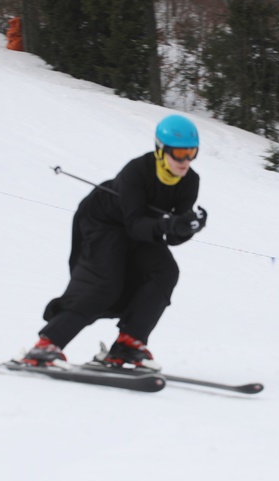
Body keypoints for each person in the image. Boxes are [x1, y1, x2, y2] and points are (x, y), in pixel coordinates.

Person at [23, 115, 207, 371]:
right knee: (104, 283)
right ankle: (46, 346)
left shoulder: (190, 181)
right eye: (178, 153)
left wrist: (187, 227)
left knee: (165, 271)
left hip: (143, 230)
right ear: (161, 150)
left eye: (191, 153)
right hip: (103, 222)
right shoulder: (137, 171)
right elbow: (133, 223)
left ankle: (129, 343)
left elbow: (172, 235)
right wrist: (167, 225)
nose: (185, 161)